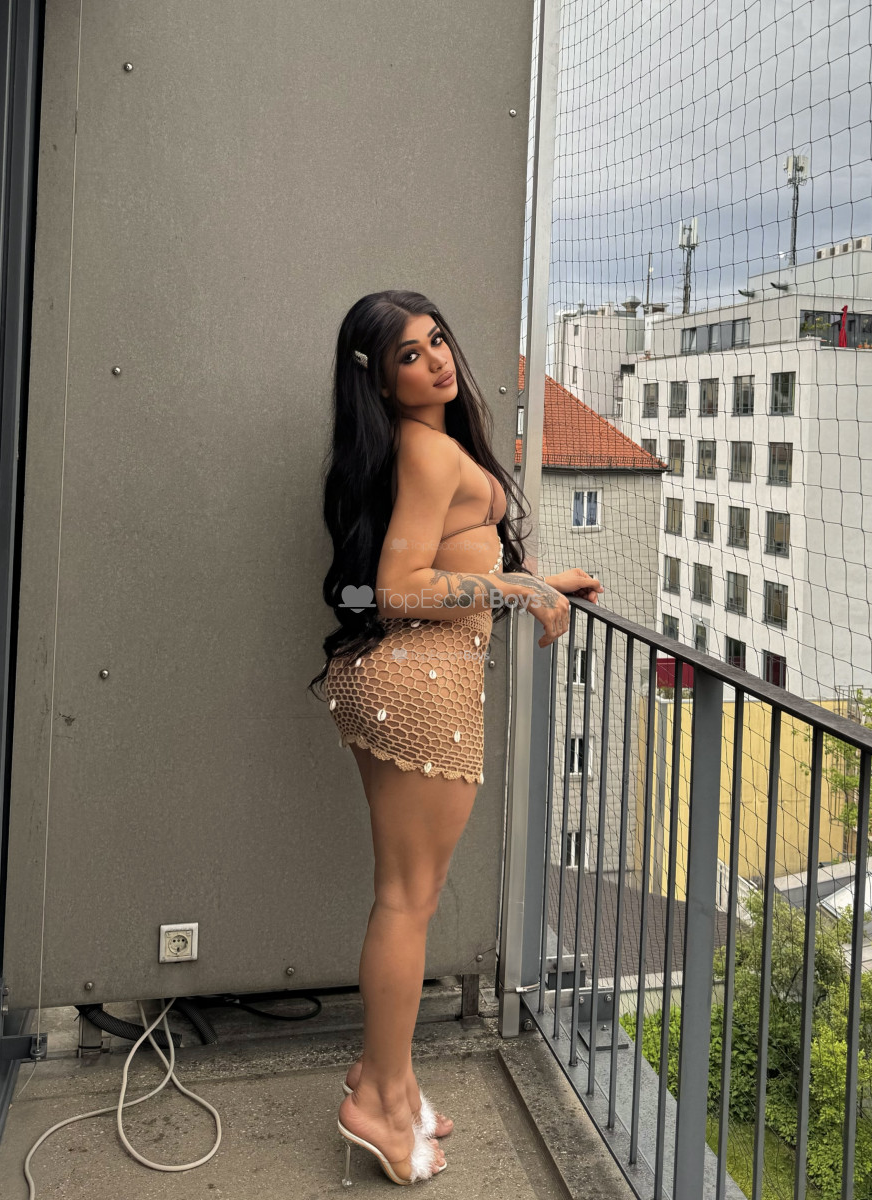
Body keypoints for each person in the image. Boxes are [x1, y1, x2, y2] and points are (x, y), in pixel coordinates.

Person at [307, 290, 602, 1186]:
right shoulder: (429, 450)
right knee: (407, 903)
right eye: (409, 353)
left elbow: (455, 556)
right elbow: (399, 585)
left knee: (405, 898)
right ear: (379, 380)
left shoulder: (420, 446)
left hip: (397, 679)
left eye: (437, 340)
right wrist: (518, 591)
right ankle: (377, 1102)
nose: (436, 359)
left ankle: (387, 1079)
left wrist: (540, 578)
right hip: (422, 685)